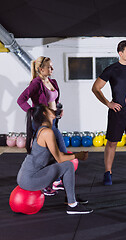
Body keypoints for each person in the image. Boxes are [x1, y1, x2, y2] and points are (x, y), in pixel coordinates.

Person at [17, 104, 93, 214]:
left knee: (63, 163)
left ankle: (70, 198)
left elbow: (56, 157)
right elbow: (60, 158)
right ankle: (72, 205)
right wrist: (78, 156)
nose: (53, 110)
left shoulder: (44, 130)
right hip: (29, 180)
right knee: (68, 165)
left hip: (26, 177)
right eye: (49, 109)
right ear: (44, 113)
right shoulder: (47, 132)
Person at [92, 40, 126, 186]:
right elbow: (96, 88)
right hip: (118, 112)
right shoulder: (112, 69)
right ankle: (108, 172)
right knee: (112, 143)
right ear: (120, 53)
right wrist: (108, 103)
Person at [17, 56, 67, 194]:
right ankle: (47, 183)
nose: (52, 69)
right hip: (41, 124)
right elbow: (21, 100)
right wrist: (34, 113)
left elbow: (54, 101)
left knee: (53, 153)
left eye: (52, 66)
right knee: (55, 152)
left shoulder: (53, 82)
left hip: (53, 121)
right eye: (49, 67)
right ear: (41, 69)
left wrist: (58, 110)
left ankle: (54, 181)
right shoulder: (35, 83)